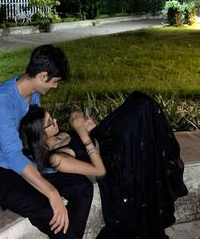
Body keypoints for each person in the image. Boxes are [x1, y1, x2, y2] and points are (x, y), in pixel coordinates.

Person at [19, 91, 188, 239]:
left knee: (141, 102)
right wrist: (82, 132)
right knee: (141, 109)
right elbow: (99, 171)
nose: (55, 120)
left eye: (52, 117)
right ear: (41, 133)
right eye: (50, 122)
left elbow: (89, 140)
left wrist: (90, 129)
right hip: (113, 161)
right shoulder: (56, 158)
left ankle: (168, 155)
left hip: (105, 139)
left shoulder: (58, 136)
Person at [0, 44, 93, 239]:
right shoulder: (2, 102)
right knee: (49, 208)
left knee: (83, 188)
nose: (55, 86)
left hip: (27, 161)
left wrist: (68, 136)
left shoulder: (33, 96)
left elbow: (35, 138)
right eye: (54, 81)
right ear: (42, 76)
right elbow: (12, 157)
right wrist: (52, 193)